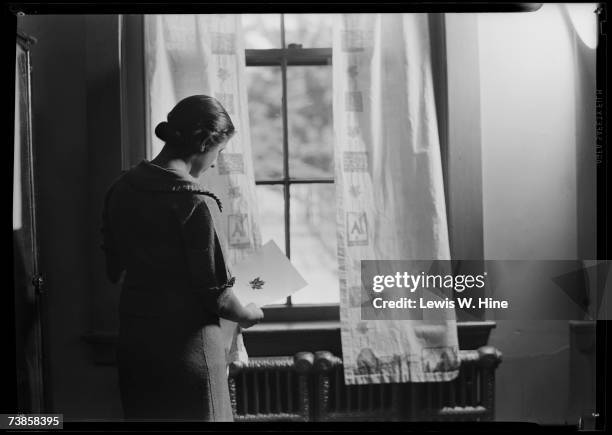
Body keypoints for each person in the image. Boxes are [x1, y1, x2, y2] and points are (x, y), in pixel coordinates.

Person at [101, 95, 264, 422]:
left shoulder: (121, 188)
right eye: (219, 152)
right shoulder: (195, 202)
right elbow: (217, 295)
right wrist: (248, 313)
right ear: (205, 143)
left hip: (136, 347)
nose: (216, 162)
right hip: (188, 353)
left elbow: (112, 268)